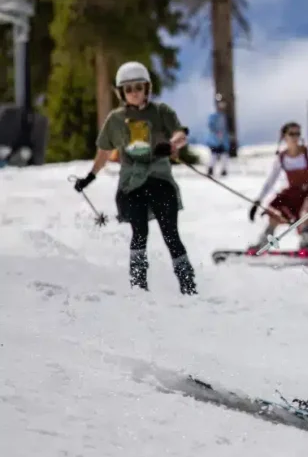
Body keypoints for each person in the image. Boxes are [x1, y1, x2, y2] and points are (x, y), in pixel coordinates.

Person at [72, 61, 197, 294]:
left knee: (171, 234)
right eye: (128, 89)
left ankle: (187, 283)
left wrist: (170, 145)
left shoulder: (160, 112)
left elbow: (180, 135)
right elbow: (104, 152)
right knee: (139, 232)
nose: (134, 93)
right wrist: (90, 177)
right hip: (132, 186)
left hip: (160, 180)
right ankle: (138, 284)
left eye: (138, 87)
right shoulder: (115, 119)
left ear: (146, 88)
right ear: (121, 93)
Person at [248, 122, 308, 252]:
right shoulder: (282, 157)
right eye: (292, 134)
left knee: (307, 212)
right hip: (292, 193)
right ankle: (263, 242)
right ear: (284, 137)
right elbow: (271, 181)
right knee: (275, 213)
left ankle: (306, 243)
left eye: (298, 134)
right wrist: (258, 200)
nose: (295, 137)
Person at [206, 94, 231, 177]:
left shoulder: (224, 116)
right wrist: (216, 133)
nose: (222, 105)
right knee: (214, 154)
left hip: (223, 140)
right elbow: (211, 126)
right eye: (220, 103)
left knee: (224, 155)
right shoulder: (213, 115)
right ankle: (210, 168)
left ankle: (224, 170)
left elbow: (226, 128)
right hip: (214, 140)